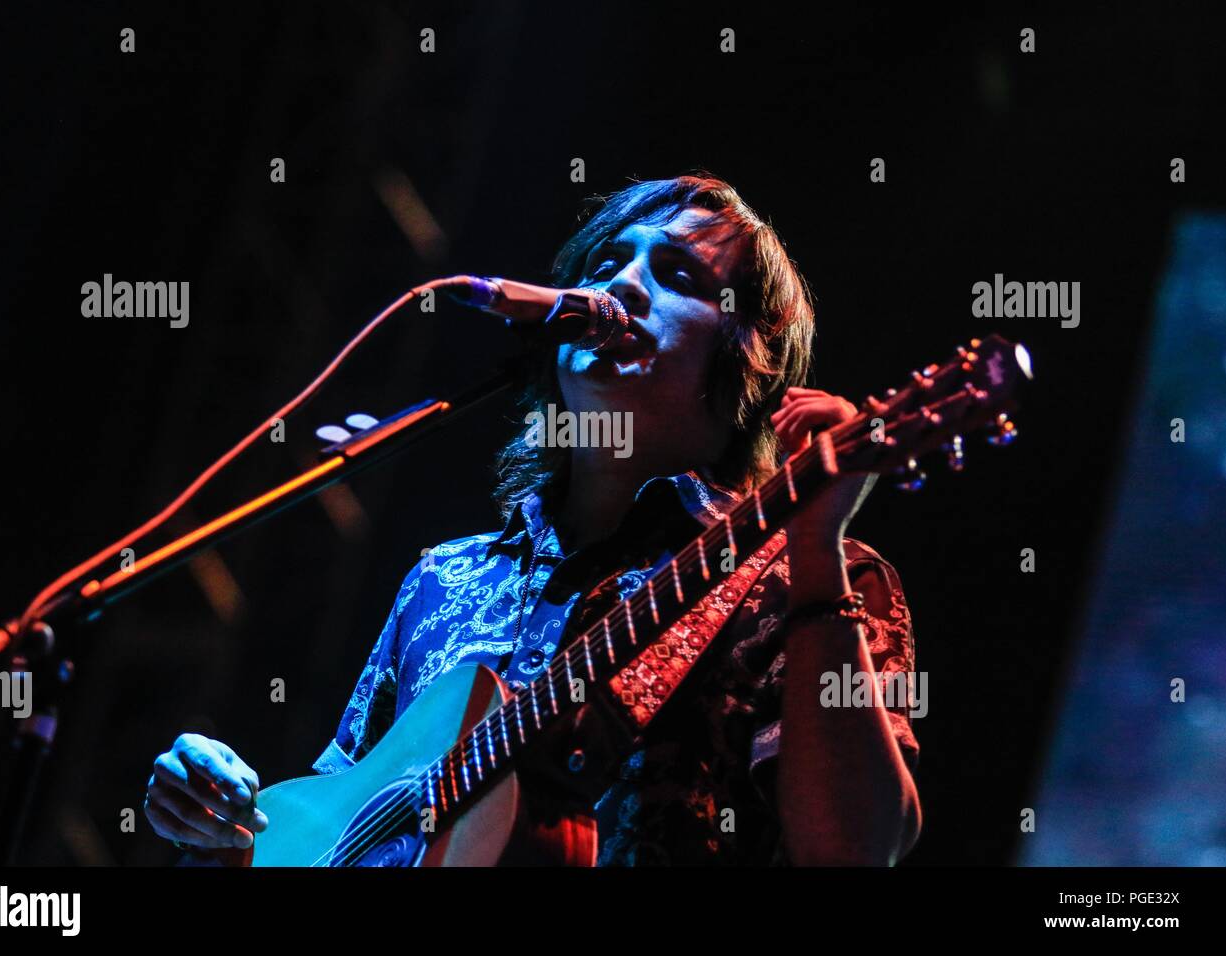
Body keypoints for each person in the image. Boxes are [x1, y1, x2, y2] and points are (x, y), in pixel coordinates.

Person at [143, 174, 922, 866]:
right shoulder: (447, 576)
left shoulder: (809, 578)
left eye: (677, 274)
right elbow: (330, 821)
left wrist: (815, 549)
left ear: (749, 359)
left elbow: (855, 849)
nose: (625, 286)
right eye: (608, 262)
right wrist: (227, 833)